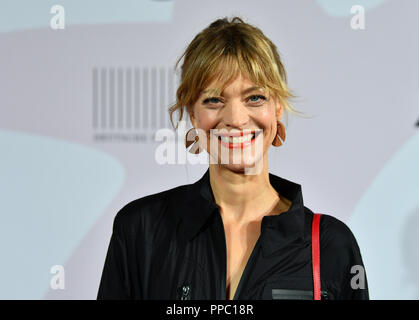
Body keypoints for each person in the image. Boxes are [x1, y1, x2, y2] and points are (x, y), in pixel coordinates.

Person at [97, 16, 369, 300]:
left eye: (254, 98)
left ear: (277, 107)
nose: (236, 119)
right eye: (214, 100)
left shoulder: (331, 246)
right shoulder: (141, 229)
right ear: (193, 113)